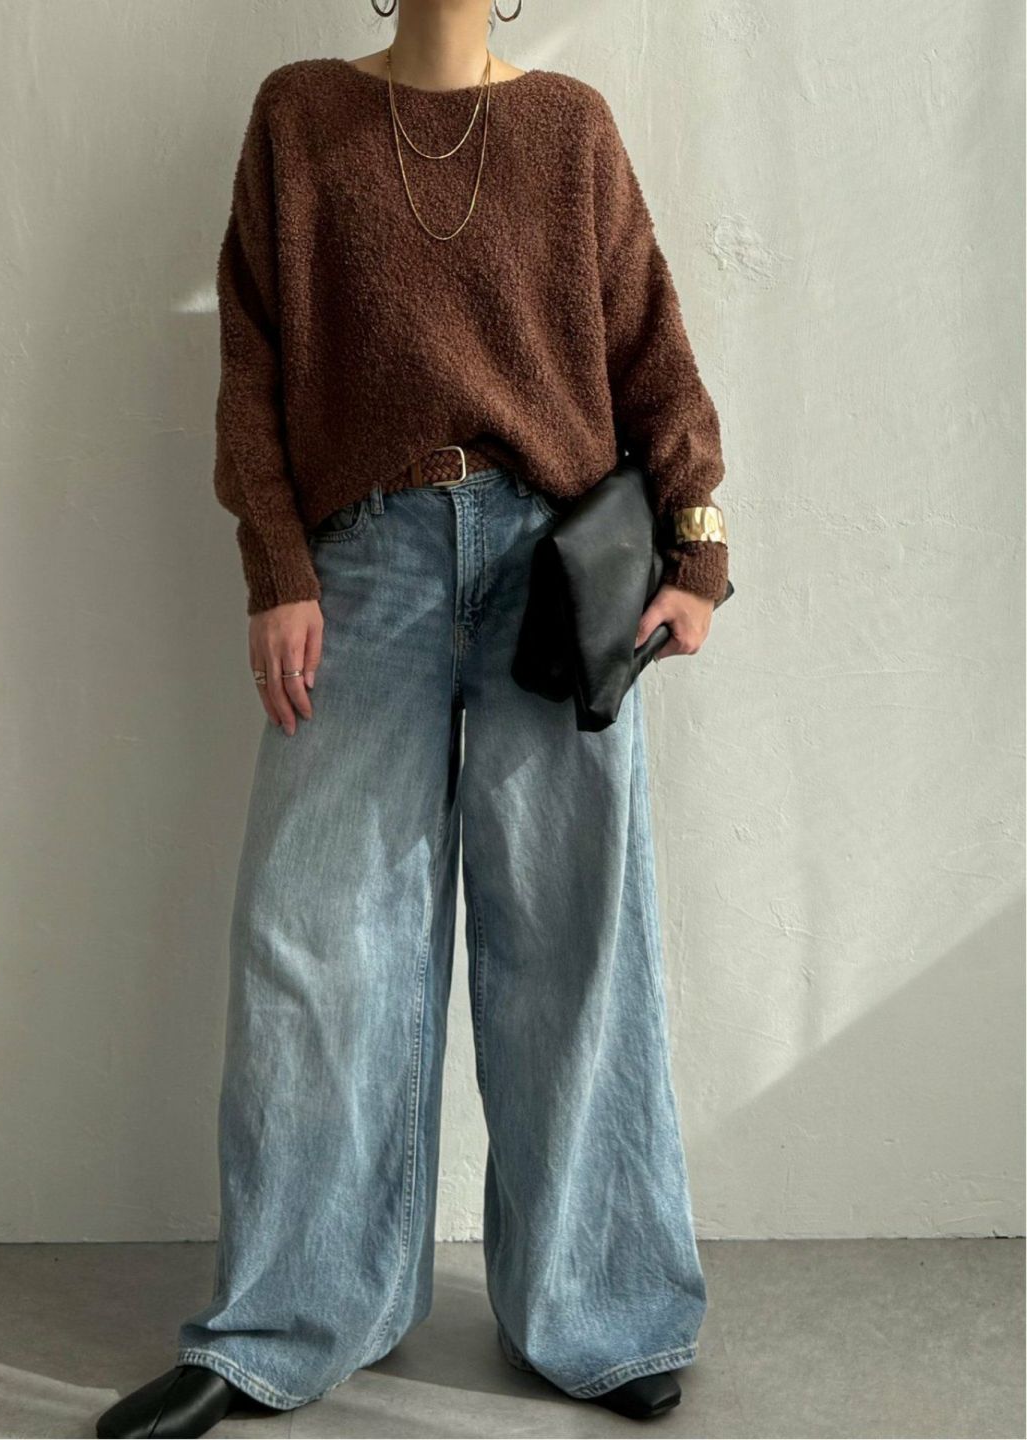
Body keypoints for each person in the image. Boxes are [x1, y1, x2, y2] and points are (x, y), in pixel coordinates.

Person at [97, 3, 730, 1436]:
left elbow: (652, 350)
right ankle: (282, 1322)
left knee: (574, 937)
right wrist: (276, 564)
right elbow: (251, 362)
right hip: (363, 565)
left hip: (556, 570)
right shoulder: (300, 115)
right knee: (313, 943)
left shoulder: (570, 130)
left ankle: (604, 1313)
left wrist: (697, 548)